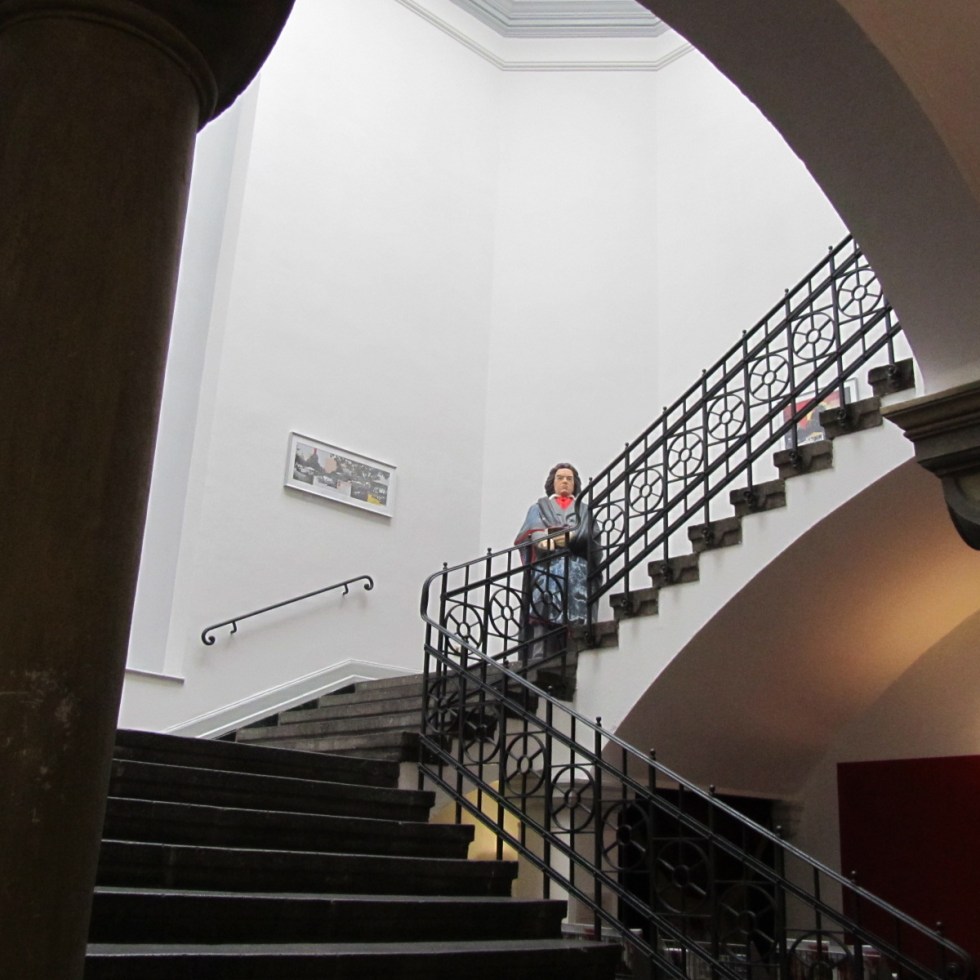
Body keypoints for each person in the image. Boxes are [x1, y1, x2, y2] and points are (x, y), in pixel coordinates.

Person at [514, 462, 601, 661]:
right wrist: (540, 539)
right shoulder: (538, 508)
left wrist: (572, 538)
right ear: (552, 482)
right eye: (560, 478)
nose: (564, 482)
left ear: (575, 484)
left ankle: (574, 645)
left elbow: (591, 535)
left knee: (576, 594)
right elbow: (529, 532)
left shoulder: (583, 510)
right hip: (547, 564)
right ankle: (539, 649)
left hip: (575, 564)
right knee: (543, 596)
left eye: (569, 479)